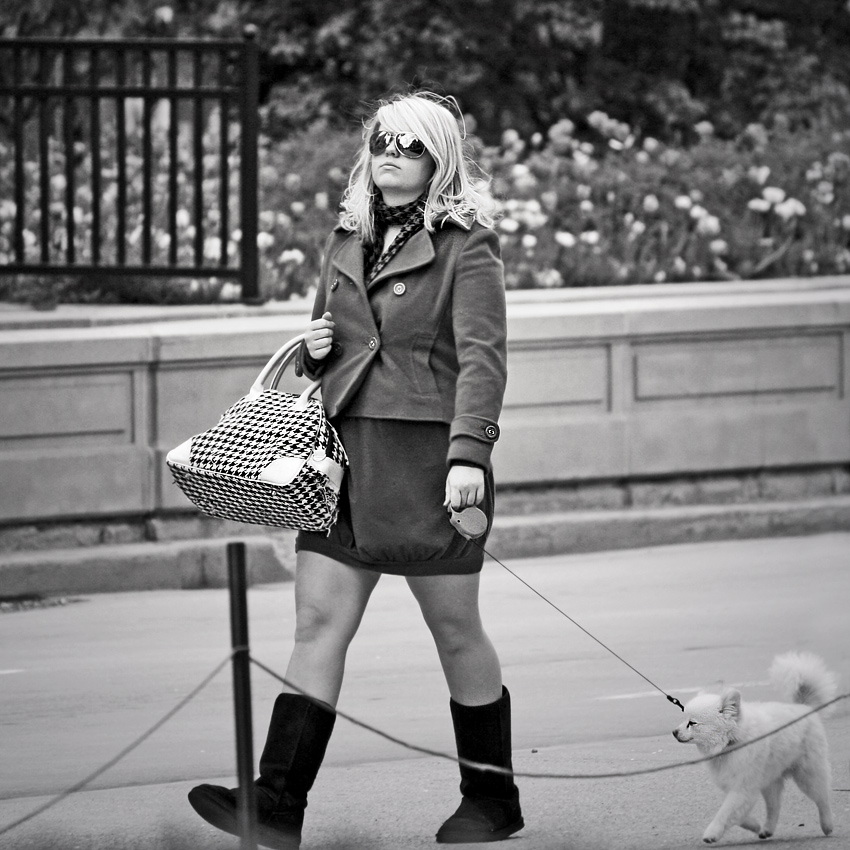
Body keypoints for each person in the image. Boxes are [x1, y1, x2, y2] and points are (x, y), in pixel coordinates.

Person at [188, 91, 521, 848]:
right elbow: (338, 339)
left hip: (425, 464)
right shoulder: (347, 234)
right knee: (316, 623)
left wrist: (470, 453)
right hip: (338, 461)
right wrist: (315, 351)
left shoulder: (467, 244)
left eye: (410, 146)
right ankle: (277, 803)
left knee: (455, 630)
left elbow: (483, 359)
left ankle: (492, 799)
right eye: (382, 142)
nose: (391, 156)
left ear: (439, 160)